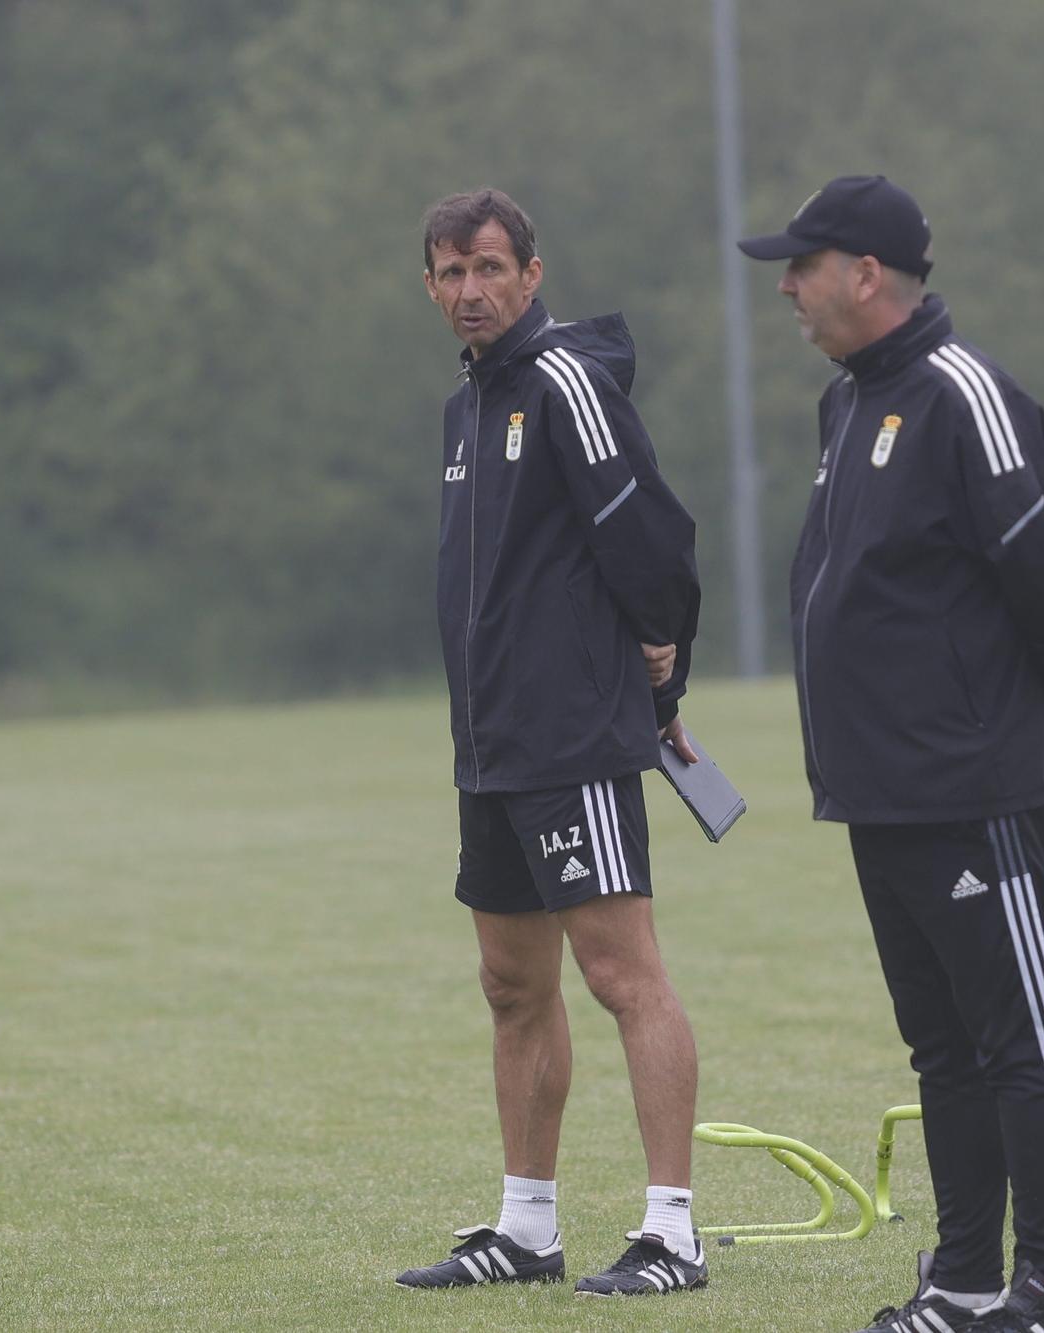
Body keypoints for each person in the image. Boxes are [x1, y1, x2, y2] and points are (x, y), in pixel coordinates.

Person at [738, 175, 1044, 1333]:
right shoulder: (845, 405)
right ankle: (962, 1281)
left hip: (968, 780)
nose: (786, 286)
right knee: (940, 1047)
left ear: (865, 274)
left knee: (1018, 1037)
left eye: (802, 265)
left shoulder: (964, 395)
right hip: (877, 792)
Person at [394, 188, 709, 1298]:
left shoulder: (570, 385)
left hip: (571, 737)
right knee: (509, 985)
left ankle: (672, 1232)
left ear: (531, 273)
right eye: (448, 273)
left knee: (624, 976)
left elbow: (653, 540)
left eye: (487, 267)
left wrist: (666, 652)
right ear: (429, 287)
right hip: (489, 746)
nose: (469, 291)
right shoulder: (463, 410)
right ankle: (525, 1227)